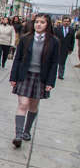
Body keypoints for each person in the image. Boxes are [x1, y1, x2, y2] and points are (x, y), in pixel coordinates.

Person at [11, 13, 59, 147]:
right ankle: (18, 135)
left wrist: (50, 82)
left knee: (33, 106)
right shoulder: (26, 38)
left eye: (42, 22)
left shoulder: (54, 41)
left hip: (40, 77)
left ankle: (27, 131)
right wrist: (13, 77)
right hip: (25, 75)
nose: (38, 24)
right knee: (22, 105)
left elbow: (54, 63)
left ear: (47, 24)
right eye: (37, 22)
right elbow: (17, 58)